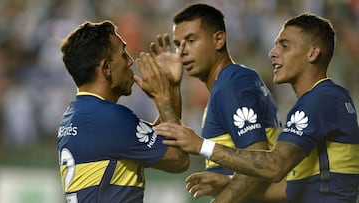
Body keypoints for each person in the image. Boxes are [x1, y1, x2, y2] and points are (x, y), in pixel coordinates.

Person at [154, 13, 359, 203]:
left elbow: (274, 166)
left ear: (312, 53)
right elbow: (293, 186)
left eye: (285, 46)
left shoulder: (319, 100)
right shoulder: (328, 98)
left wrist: (201, 145)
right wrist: (228, 182)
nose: (273, 53)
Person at [151, 3, 283, 202]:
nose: (182, 52)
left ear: (219, 39)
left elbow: (258, 159)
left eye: (191, 40)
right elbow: (168, 147)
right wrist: (172, 87)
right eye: (178, 44)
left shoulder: (231, 85)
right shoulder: (228, 83)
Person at [57, 20, 189, 203]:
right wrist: (163, 97)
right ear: (106, 68)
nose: (130, 61)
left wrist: (171, 87)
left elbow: (162, 138)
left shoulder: (78, 115)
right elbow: (178, 159)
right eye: (123, 54)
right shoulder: (109, 118)